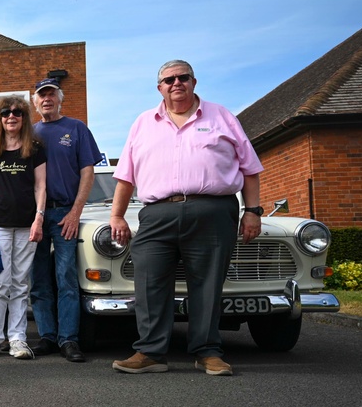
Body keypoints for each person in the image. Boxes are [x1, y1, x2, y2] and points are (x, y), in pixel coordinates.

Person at [110, 60, 263, 377]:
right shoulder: (142, 123)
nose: (176, 83)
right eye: (169, 80)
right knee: (149, 281)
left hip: (213, 210)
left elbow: (250, 168)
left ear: (194, 82)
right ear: (160, 88)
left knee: (207, 284)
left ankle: (207, 352)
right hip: (156, 213)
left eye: (183, 77)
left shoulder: (221, 116)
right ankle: (151, 352)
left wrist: (252, 211)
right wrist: (117, 215)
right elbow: (126, 176)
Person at [29, 78, 103, 362]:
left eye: (51, 95)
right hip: (35, 215)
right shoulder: (30, 133)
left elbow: (88, 172)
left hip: (64, 214)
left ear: (60, 99)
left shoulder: (76, 128)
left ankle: (68, 339)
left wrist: (76, 212)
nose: (46, 99)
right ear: (35, 102)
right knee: (39, 279)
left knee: (66, 278)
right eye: (41, 96)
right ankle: (47, 336)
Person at [0, 96, 46, 358]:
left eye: (17, 112)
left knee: (20, 284)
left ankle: (18, 339)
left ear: (24, 117)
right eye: (5, 113)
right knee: (0, 284)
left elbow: (40, 186)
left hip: (27, 225)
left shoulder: (35, 148)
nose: (11, 116)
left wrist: (39, 218)